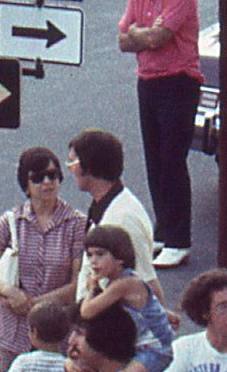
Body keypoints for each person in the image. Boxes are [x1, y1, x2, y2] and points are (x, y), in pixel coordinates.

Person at [119, 0, 202, 269]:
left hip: (178, 83)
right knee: (154, 161)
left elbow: (158, 38)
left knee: (172, 160)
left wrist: (139, 34)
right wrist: (142, 34)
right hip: (148, 82)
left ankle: (179, 240)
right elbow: (123, 40)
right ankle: (164, 231)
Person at [0, 146, 88, 357]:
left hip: (58, 336)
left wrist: (33, 305)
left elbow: (77, 284)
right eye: (38, 178)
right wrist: (10, 292)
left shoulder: (77, 224)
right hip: (12, 336)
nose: (47, 182)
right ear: (26, 185)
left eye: (52, 175)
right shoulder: (11, 221)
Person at [66, 128, 163, 309]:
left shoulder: (124, 219)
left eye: (73, 162)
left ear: (88, 166)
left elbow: (146, 282)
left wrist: (161, 323)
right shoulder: (108, 205)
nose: (70, 168)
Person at [80, 225, 174, 372]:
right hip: (137, 345)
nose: (93, 261)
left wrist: (91, 289)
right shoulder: (116, 282)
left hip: (155, 350)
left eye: (100, 254)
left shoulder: (126, 283)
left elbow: (87, 311)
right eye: (90, 255)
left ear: (120, 257)